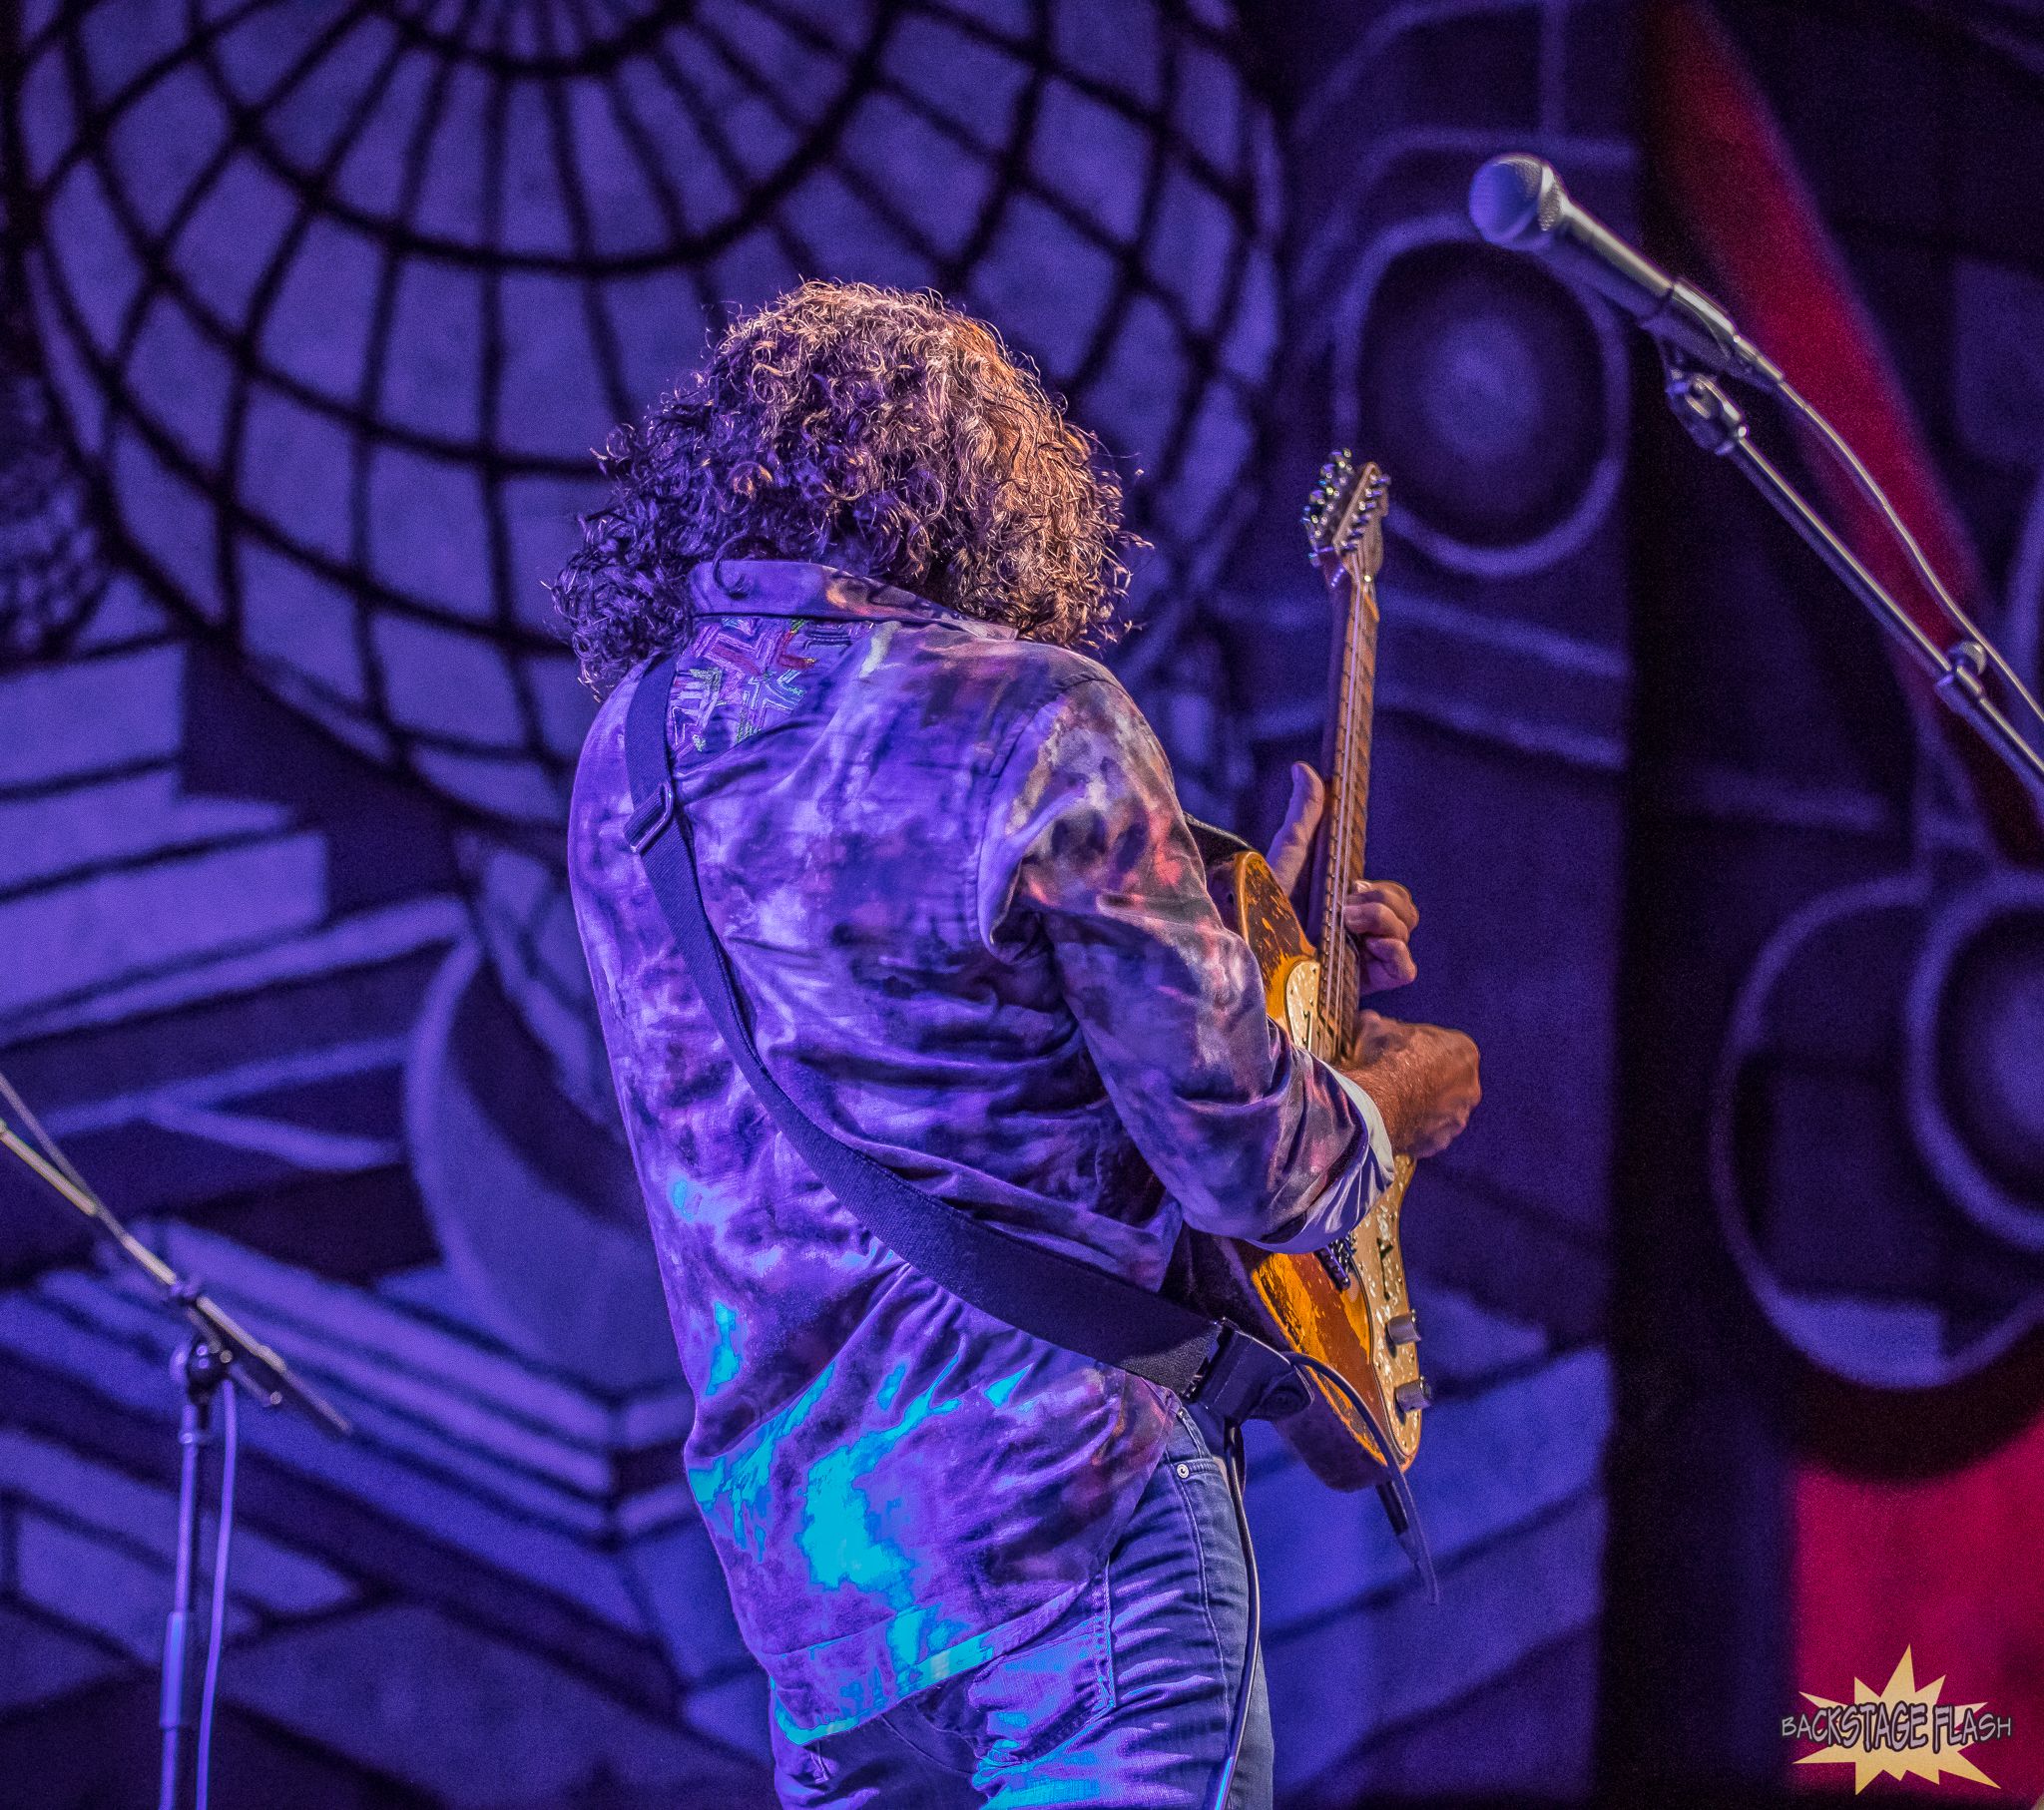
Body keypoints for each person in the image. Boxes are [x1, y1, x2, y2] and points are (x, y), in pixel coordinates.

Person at [558, 281, 1481, 1809]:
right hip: (1073, 1536)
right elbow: (1252, 1168)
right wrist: (1384, 1095)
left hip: (823, 1605)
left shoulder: (629, 755)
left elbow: (892, 1062)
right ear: (982, 497)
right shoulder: (1033, 719)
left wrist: (1250, 943)